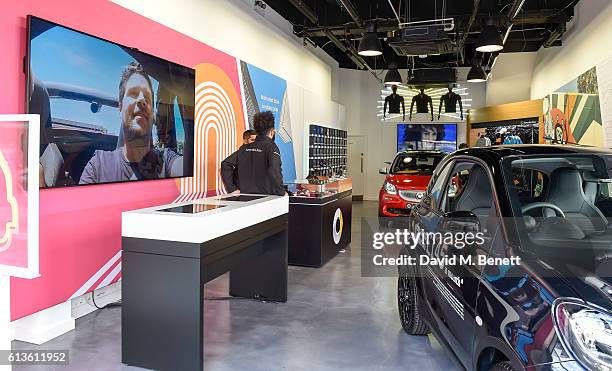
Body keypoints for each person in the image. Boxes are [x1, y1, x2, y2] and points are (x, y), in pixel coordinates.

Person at [79, 62, 182, 184]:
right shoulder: (98, 166)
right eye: (133, 93)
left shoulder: (167, 160)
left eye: (147, 98)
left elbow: (190, 167)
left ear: (153, 114)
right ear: (120, 106)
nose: (141, 100)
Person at [234, 111, 285, 196]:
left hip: (245, 197)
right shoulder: (271, 147)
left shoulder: (244, 148)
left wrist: (233, 188)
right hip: (266, 197)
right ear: (272, 132)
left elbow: (225, 164)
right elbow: (275, 170)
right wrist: (281, 192)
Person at [220, 129, 257, 193]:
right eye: (252, 140)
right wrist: (232, 188)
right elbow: (225, 164)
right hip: (244, 194)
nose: (255, 143)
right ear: (245, 141)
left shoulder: (255, 152)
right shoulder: (241, 152)